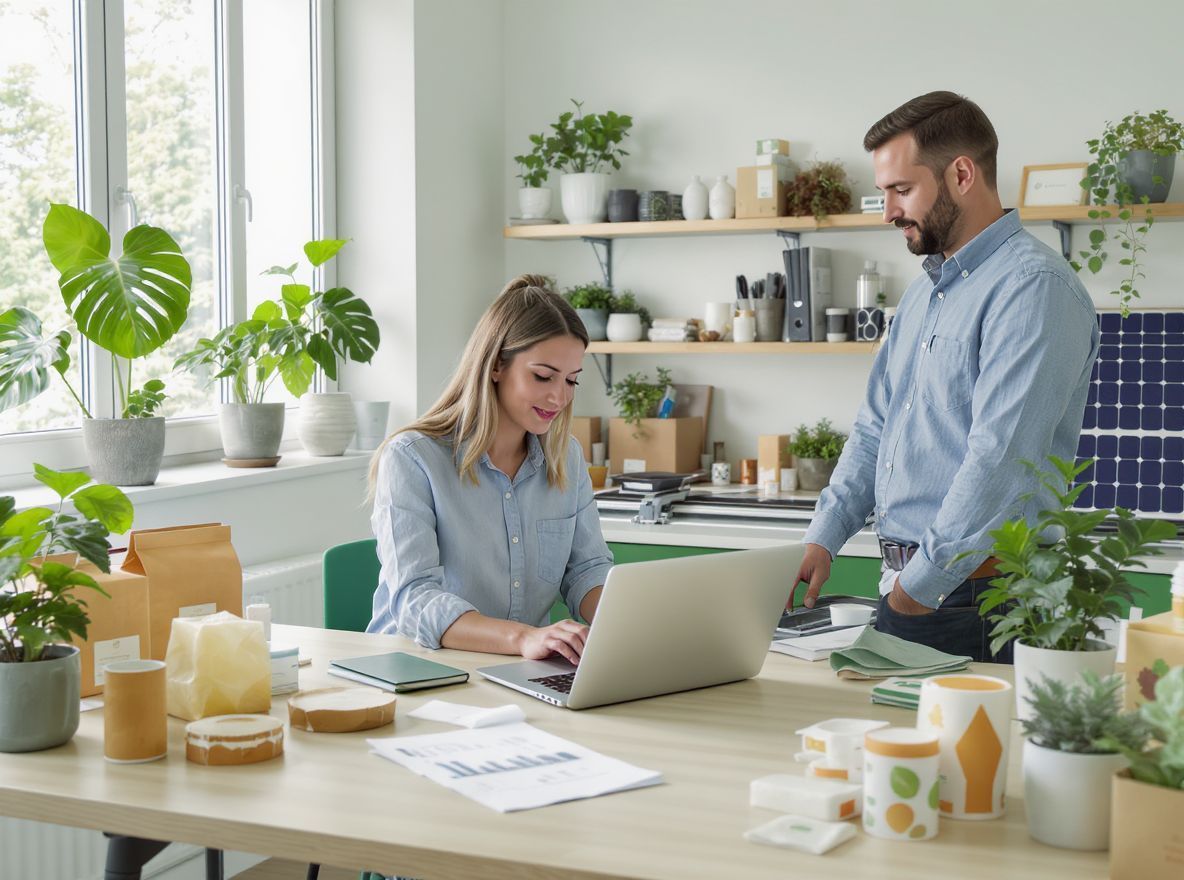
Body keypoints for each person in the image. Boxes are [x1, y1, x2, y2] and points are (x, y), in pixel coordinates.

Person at [793, 91, 1100, 663]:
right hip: (919, 591)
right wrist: (824, 535)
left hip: (978, 600)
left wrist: (918, 589)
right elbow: (874, 428)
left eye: (901, 190)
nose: (887, 212)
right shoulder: (925, 293)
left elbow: (1000, 459)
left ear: (961, 174)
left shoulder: (1034, 289)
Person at [367, 274, 612, 665]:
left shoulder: (566, 458)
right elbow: (415, 600)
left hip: (519, 671)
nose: (559, 397)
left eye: (571, 381)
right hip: (418, 668)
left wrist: (629, 628)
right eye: (543, 376)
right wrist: (524, 638)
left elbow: (586, 568)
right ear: (497, 365)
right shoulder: (412, 458)